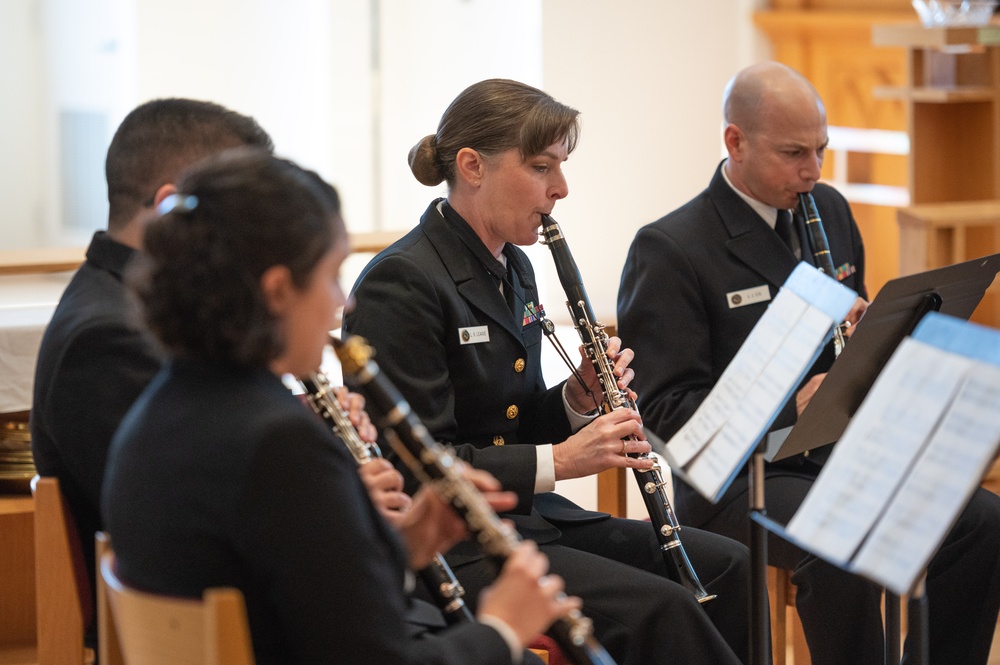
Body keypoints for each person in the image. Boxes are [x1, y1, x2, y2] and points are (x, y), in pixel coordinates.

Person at [101, 149, 575, 665]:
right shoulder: (277, 443)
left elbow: (299, 591)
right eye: (330, 276)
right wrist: (502, 629)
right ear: (278, 291)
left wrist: (408, 543)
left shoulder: (160, 409)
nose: (342, 303)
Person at [344, 78, 755, 665]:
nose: (561, 189)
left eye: (560, 166)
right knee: (664, 608)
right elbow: (420, 464)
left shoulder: (514, 266)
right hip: (460, 546)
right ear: (472, 167)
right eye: (542, 168)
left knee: (729, 564)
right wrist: (562, 461)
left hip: (529, 521)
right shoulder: (404, 281)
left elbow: (513, 417)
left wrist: (575, 400)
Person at [617, 61, 1000, 665]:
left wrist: (880, 341)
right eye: (794, 153)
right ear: (735, 142)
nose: (813, 171)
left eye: (821, 150)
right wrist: (783, 401)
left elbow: (852, 347)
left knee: (981, 520)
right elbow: (664, 415)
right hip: (736, 478)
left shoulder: (830, 210)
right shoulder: (671, 248)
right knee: (844, 539)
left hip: (835, 452)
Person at [30, 99, 274, 643]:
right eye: (242, 217)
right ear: (169, 210)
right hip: (192, 627)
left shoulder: (144, 309)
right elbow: (189, 522)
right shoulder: (110, 336)